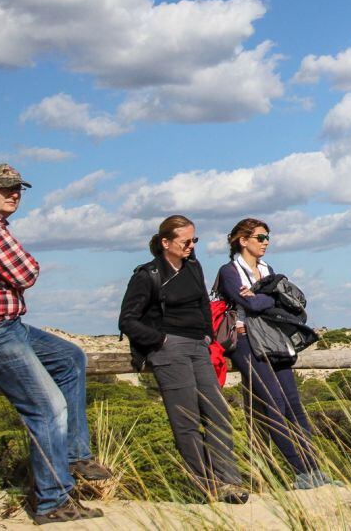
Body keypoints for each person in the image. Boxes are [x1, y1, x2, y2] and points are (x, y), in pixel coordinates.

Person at [0, 164, 109, 525]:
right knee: (48, 408)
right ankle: (52, 501)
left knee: (69, 357)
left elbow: (20, 270)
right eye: (4, 188)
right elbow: (26, 272)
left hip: (7, 325)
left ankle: (76, 455)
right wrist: (26, 263)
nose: (13, 194)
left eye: (17, 188)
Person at [118, 215, 248, 504]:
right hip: (168, 350)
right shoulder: (147, 274)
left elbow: (203, 304)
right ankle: (204, 487)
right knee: (186, 420)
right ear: (166, 242)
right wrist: (160, 341)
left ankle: (230, 483)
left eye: (194, 240)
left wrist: (206, 337)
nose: (191, 246)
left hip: (199, 347)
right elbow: (128, 320)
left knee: (217, 413)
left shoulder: (193, 267)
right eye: (185, 241)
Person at [217, 218, 335, 490]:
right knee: (275, 405)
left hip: (272, 338)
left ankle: (315, 470)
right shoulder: (229, 271)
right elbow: (249, 302)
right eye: (260, 237)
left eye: (267, 237)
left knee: (294, 404)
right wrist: (268, 299)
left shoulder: (267, 269)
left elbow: (281, 302)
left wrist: (264, 300)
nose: (266, 242)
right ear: (242, 240)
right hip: (246, 340)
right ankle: (301, 471)